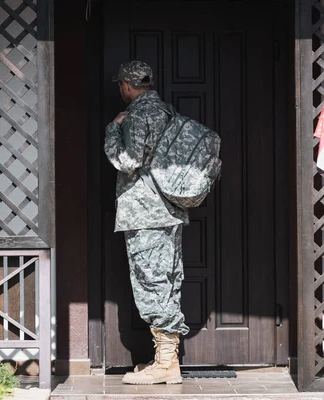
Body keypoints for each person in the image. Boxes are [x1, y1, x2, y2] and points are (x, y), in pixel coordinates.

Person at [104, 61, 189, 385]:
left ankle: (166, 364)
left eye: (120, 86)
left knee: (151, 282)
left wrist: (112, 129)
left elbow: (129, 162)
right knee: (167, 280)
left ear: (127, 85)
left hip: (145, 213)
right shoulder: (167, 112)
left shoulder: (138, 115)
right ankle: (165, 360)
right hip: (169, 211)